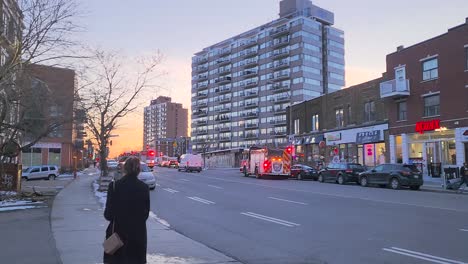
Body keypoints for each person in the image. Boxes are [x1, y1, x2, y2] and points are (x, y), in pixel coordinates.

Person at [103, 156, 150, 264]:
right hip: (138, 238)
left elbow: (108, 215)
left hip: (117, 238)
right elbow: (145, 215)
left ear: (125, 168)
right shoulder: (144, 188)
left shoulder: (114, 186)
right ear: (139, 170)